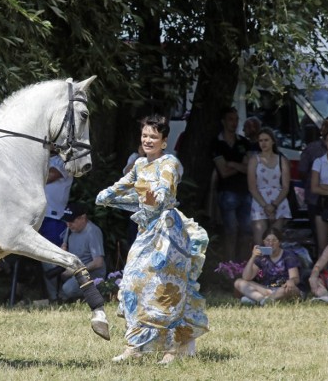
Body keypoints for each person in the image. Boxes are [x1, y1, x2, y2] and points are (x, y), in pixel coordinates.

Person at [96, 114, 209, 364]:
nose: (148, 140)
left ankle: (176, 347)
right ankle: (134, 345)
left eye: (154, 137)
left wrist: (155, 198)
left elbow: (165, 188)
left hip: (168, 233)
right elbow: (124, 184)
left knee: (166, 288)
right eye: (145, 135)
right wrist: (105, 195)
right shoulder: (138, 164)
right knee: (131, 284)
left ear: (164, 141)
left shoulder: (171, 163)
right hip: (146, 231)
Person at [212, 106, 251, 261]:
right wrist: (240, 166)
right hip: (227, 192)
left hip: (245, 192)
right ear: (223, 121)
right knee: (231, 230)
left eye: (236, 119)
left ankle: (242, 264)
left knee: (247, 231)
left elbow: (249, 169)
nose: (234, 123)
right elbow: (223, 171)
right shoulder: (216, 143)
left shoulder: (244, 142)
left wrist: (233, 164)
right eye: (230, 119)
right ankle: (229, 265)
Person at [299, 116, 328, 249]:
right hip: (316, 202)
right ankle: (323, 267)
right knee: (320, 240)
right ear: (321, 129)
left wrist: (326, 188)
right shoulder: (312, 149)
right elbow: (303, 172)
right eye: (327, 126)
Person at [233, 227, 302, 305]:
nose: (270, 243)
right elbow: (246, 277)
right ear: (264, 242)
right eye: (267, 240)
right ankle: (263, 300)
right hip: (267, 290)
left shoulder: (288, 256)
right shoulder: (262, 257)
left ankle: (258, 300)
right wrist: (253, 257)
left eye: (274, 240)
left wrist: (291, 281)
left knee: (286, 290)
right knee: (238, 282)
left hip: (284, 289)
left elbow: (295, 278)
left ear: (279, 242)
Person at [247, 128, 291, 245]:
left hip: (278, 200)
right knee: (259, 243)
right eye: (260, 140)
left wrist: (274, 205)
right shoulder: (254, 160)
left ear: (273, 141)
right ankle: (259, 263)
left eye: (266, 140)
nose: (263, 143)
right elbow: (252, 187)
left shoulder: (282, 160)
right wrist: (266, 206)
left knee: (274, 243)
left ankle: (274, 263)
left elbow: (286, 187)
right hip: (259, 200)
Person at [39, 153, 73, 301]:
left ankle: (60, 296)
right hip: (39, 216)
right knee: (41, 257)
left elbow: (50, 175)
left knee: (53, 258)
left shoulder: (65, 160)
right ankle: (52, 296)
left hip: (54, 218)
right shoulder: (43, 157)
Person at [54, 202, 105, 302]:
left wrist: (75, 271)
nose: (68, 224)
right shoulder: (70, 230)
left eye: (72, 221)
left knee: (68, 289)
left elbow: (98, 262)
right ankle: (55, 298)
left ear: (83, 218)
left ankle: (90, 295)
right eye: (66, 221)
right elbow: (64, 248)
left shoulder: (93, 232)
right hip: (74, 268)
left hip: (91, 273)